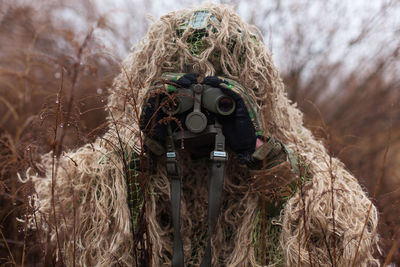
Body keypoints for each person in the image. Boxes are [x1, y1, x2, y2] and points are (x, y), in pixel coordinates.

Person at [30, 3, 379, 266]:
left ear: (256, 92)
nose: (200, 110)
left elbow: (344, 239)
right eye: (178, 97)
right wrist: (141, 149)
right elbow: (70, 225)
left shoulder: (296, 162)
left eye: (220, 99)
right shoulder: (112, 162)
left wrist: (263, 154)